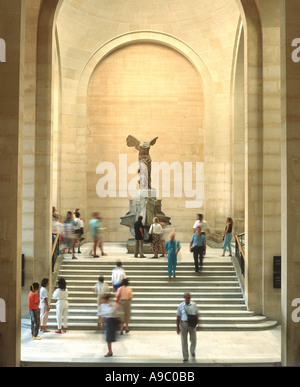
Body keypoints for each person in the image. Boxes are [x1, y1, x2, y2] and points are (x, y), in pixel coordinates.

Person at [98, 293, 124, 358]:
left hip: (112, 321)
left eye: (103, 299)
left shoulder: (113, 305)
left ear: (106, 300)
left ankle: (110, 351)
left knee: (109, 338)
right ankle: (110, 351)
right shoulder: (103, 306)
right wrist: (101, 323)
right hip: (109, 321)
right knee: (108, 338)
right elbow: (101, 315)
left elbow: (118, 313)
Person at [176, 293, 199, 362]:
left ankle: (192, 351)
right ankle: (185, 356)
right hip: (183, 324)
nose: (188, 299)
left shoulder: (194, 305)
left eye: (189, 298)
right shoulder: (180, 306)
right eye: (187, 298)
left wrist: (198, 324)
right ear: (184, 298)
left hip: (192, 324)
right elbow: (178, 316)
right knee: (184, 341)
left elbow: (197, 314)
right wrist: (177, 327)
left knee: (194, 339)